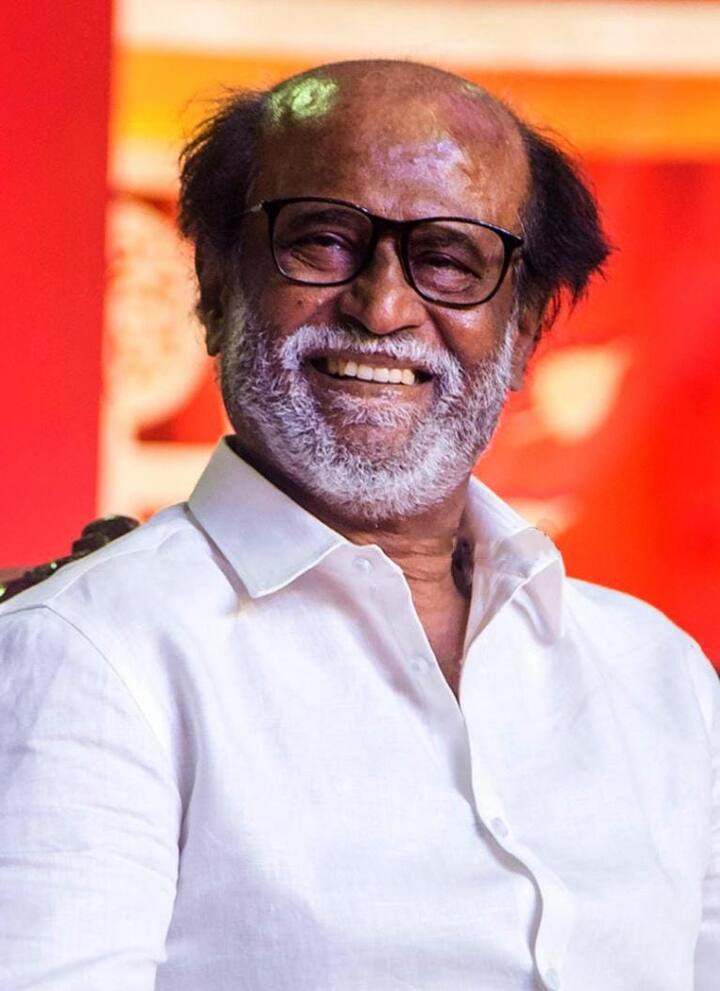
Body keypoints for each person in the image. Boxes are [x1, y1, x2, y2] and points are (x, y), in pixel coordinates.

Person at [0, 60, 717, 991]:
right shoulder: (86, 654)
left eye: (450, 260)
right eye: (323, 241)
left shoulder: (658, 673)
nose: (382, 308)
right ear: (214, 285)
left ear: (526, 330)